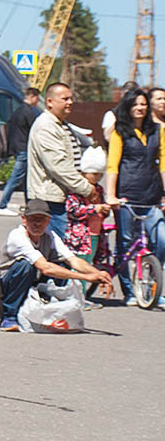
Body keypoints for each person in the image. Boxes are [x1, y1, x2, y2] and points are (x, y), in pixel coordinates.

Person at [0, 199, 113, 331]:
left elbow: (73, 260)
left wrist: (98, 274)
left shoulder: (50, 236)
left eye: (42, 219)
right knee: (25, 265)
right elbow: (45, 268)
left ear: (48, 221)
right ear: (24, 219)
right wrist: (86, 277)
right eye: (33, 219)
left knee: (62, 265)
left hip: (30, 286)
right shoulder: (17, 236)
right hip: (3, 294)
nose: (37, 223)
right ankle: (9, 316)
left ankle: (49, 308)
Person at [103, 88, 165, 302]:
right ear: (127, 108)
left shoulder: (158, 130)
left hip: (152, 195)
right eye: (135, 104)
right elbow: (112, 165)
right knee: (126, 243)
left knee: (160, 239)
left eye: (143, 104)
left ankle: (152, 286)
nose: (139, 108)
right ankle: (129, 291)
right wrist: (110, 195)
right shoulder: (119, 131)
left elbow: (164, 164)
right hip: (127, 195)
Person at [28, 82, 98, 240]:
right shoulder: (46, 126)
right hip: (49, 200)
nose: (70, 102)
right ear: (50, 102)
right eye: (65, 98)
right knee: (54, 250)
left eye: (71, 98)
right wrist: (86, 189)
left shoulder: (59, 124)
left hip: (59, 197)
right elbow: (58, 166)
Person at [0, 86, 42, 216]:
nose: (37, 102)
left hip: (17, 148)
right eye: (37, 98)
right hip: (24, 149)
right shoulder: (28, 112)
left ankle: (30, 205)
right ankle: (3, 205)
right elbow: (35, 131)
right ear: (32, 97)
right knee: (15, 178)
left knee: (26, 179)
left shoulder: (18, 110)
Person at [67, 146, 112, 266]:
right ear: (84, 172)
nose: (98, 177)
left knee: (88, 265)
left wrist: (105, 209)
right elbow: (73, 210)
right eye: (94, 174)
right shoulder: (76, 189)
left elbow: (102, 208)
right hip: (80, 236)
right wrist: (94, 208)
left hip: (95, 233)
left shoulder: (99, 189)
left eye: (101, 175)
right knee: (79, 266)